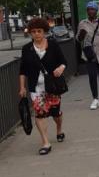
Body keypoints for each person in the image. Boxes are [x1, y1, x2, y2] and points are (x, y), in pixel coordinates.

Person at [18, 17, 67, 155]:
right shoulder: (27, 49)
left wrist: (60, 69)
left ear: (44, 31)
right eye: (33, 32)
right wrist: (22, 87)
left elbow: (64, 62)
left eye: (39, 31)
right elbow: (23, 70)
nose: (36, 34)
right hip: (36, 88)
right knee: (40, 114)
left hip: (52, 86)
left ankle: (59, 128)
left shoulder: (53, 45)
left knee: (55, 113)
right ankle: (45, 142)